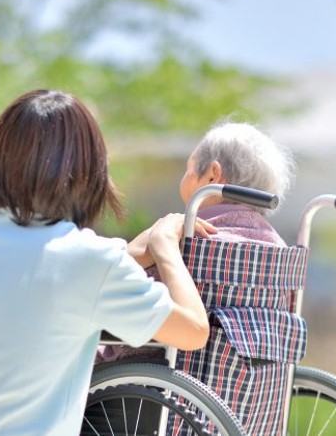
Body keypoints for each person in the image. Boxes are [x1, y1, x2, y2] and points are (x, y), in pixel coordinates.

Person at [0, 89, 214, 436]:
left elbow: (31, 275)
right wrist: (165, 246)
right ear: (86, 172)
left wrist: (126, 254)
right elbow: (194, 331)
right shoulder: (90, 262)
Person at [97, 121, 295, 362]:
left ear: (213, 174)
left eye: (188, 169)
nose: (186, 176)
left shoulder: (185, 236)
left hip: (147, 384)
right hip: (244, 390)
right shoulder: (280, 251)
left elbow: (113, 291)